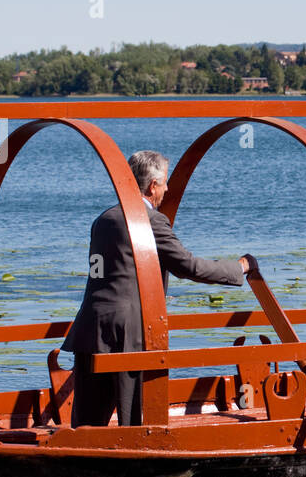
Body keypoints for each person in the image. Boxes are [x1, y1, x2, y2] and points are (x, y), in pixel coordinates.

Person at [62, 149, 255, 427]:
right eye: (164, 183)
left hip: (91, 326)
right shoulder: (150, 221)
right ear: (153, 185)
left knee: (86, 422)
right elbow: (188, 266)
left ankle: (81, 463)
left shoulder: (104, 219)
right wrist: (240, 268)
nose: (167, 189)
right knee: (133, 420)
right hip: (127, 333)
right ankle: (134, 464)